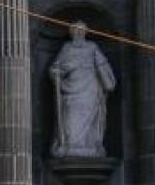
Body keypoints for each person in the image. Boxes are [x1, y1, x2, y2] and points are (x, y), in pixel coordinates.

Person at [50, 21, 116, 158]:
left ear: (86, 32)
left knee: (88, 120)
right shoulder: (66, 48)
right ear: (71, 32)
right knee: (70, 121)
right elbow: (56, 68)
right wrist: (55, 72)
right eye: (76, 30)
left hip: (89, 91)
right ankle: (69, 145)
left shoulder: (92, 47)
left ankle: (90, 146)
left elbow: (103, 67)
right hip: (70, 90)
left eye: (82, 30)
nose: (79, 33)